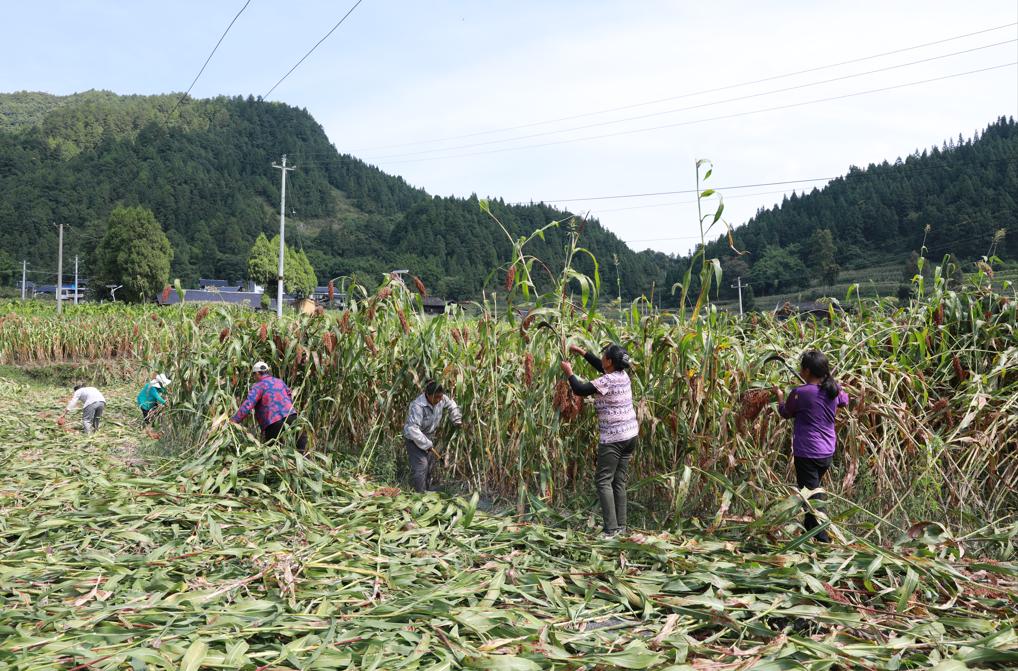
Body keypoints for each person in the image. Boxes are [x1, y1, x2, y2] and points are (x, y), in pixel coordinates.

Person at [561, 343, 639, 537]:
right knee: (618, 482)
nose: (602, 358)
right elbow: (600, 367)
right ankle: (621, 527)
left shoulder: (607, 381)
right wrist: (582, 352)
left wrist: (569, 372)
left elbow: (580, 389)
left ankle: (610, 530)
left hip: (614, 439)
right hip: (630, 435)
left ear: (610, 361)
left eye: (604, 355)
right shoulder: (623, 376)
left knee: (603, 481)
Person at [774, 350, 849, 543]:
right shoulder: (833, 389)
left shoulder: (800, 393)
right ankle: (810, 533)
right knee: (810, 491)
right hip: (826, 452)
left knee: (812, 497)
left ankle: (823, 539)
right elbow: (845, 401)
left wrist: (780, 396)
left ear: (806, 371)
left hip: (807, 452)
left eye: (802, 368)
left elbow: (785, 412)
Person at [231, 361, 308, 453]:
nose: (254, 377)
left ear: (257, 373)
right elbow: (289, 395)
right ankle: (304, 464)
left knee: (273, 453)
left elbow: (248, 405)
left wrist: (234, 420)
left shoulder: (258, 386)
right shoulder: (279, 381)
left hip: (273, 422)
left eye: (254, 375)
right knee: (302, 449)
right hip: (291, 416)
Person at [403, 380, 463, 493]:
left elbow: (452, 405)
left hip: (428, 436)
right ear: (428, 395)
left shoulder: (441, 398)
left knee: (430, 463)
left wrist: (456, 419)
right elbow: (413, 429)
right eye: (436, 398)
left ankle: (427, 488)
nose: (439, 400)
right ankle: (419, 493)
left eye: (440, 397)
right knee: (422, 464)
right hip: (414, 438)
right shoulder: (418, 406)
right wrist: (427, 444)